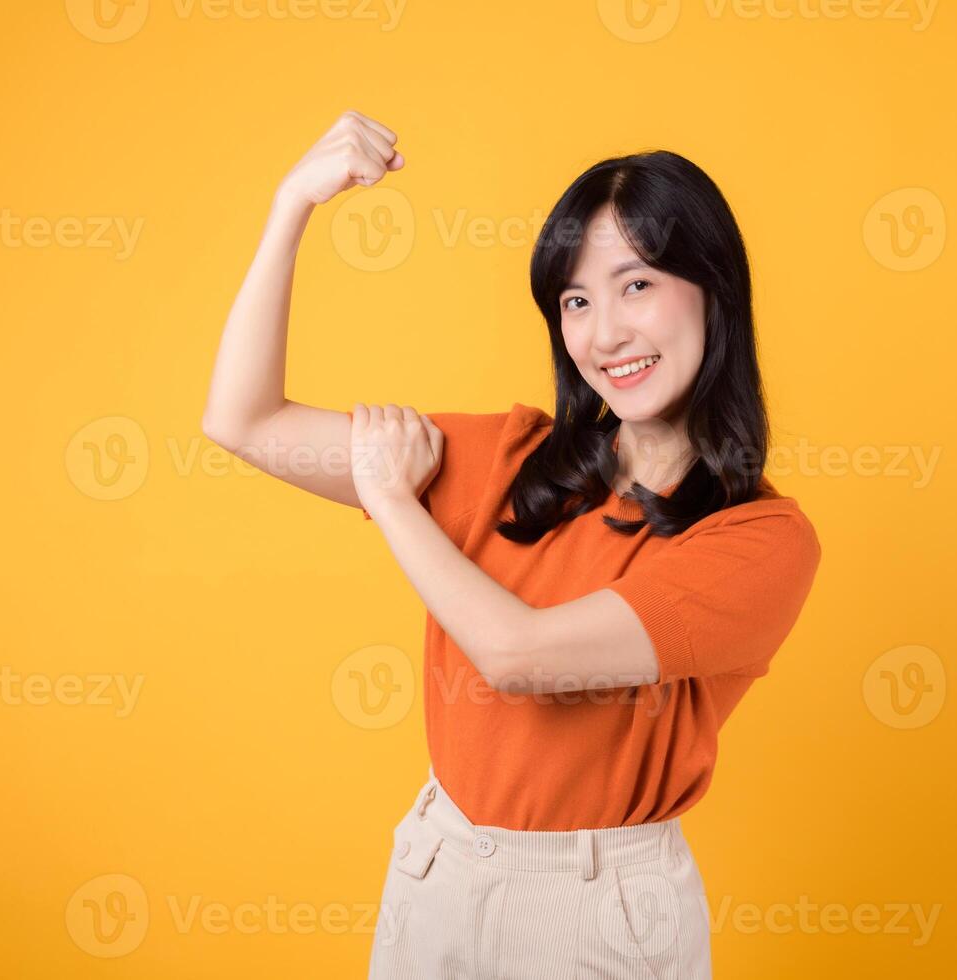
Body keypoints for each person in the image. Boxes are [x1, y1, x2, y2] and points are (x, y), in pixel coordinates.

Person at [202, 109, 822, 980]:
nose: (603, 333)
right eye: (575, 300)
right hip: (439, 865)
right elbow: (245, 420)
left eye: (635, 284)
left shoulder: (761, 540)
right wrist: (291, 204)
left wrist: (391, 493)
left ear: (713, 287)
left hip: (594, 911)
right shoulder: (508, 459)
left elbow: (519, 656)